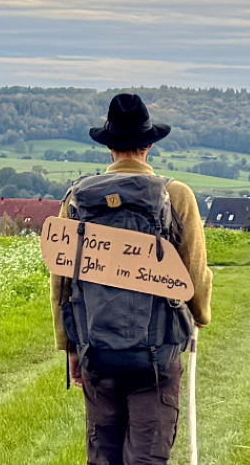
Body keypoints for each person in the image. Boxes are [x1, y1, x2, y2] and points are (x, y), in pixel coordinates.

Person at [49, 93, 213, 465]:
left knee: (103, 455)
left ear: (109, 147)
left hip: (96, 351)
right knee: (147, 456)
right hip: (157, 355)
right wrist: (200, 316)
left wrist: (69, 347)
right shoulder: (176, 195)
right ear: (148, 144)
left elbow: (60, 281)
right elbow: (194, 275)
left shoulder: (76, 199)